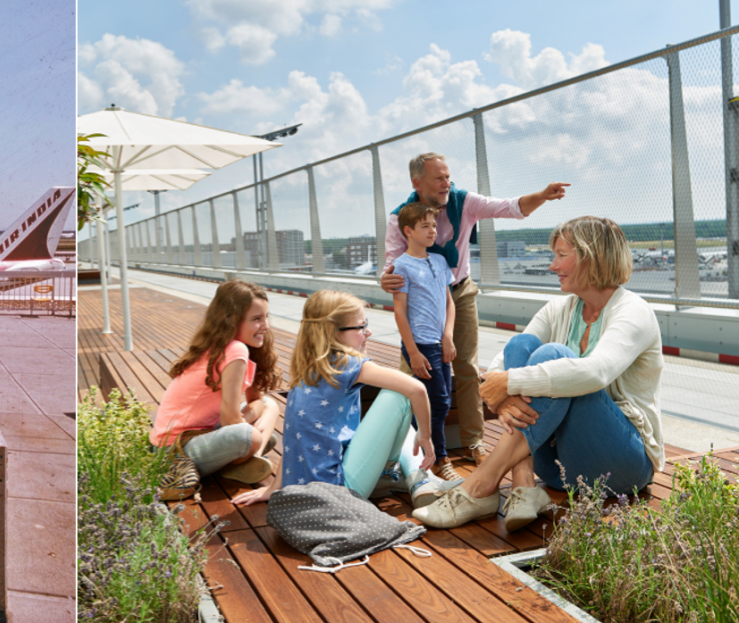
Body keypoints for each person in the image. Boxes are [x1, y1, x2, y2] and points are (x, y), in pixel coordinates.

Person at [413, 217, 665, 532]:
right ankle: (523, 484)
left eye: (561, 255)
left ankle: (481, 484)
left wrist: (510, 384)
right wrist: (506, 399)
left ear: (591, 256)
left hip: (621, 467)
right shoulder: (559, 309)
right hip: (556, 467)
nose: (552, 265)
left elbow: (596, 373)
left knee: (552, 356)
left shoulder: (633, 311)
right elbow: (502, 362)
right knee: (523, 346)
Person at [381, 152, 569, 466]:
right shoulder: (400, 217)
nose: (447, 183)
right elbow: (391, 267)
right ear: (417, 182)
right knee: (412, 372)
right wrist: (386, 280)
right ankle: (407, 447)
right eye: (438, 178)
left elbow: (508, 208)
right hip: (419, 297)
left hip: (458, 290)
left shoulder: (463, 202)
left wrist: (543, 196)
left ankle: (473, 443)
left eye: (448, 176)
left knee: (467, 367)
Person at [232, 290, 452, 509]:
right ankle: (416, 478)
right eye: (361, 326)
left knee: (402, 417)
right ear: (333, 332)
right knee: (398, 395)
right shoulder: (346, 364)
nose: (369, 332)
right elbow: (417, 389)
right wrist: (426, 437)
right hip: (341, 491)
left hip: (309, 487)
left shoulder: (307, 370)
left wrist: (273, 489)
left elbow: (294, 439)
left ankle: (415, 478)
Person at [149, 279, 282, 493]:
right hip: (173, 452)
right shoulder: (236, 349)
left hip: (201, 433)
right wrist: (248, 425)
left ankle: (241, 459)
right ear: (232, 321)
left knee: (269, 405)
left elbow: (256, 400)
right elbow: (230, 419)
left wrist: (250, 415)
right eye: (256, 319)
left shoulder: (223, 345)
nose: (265, 326)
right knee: (253, 437)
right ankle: (245, 460)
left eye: (266, 317)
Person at [391, 202, 458, 481]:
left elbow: (449, 303)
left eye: (434, 225)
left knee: (440, 399)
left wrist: (448, 337)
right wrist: (413, 352)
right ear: (408, 231)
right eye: (425, 226)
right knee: (440, 402)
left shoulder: (440, 262)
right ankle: (439, 458)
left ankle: (421, 453)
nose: (432, 230)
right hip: (420, 345)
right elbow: (399, 311)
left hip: (439, 342)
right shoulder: (401, 266)